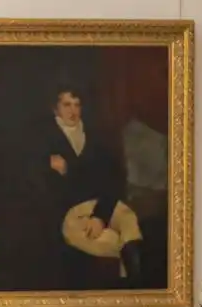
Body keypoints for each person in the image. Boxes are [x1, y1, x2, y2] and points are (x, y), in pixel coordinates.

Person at [43, 86, 145, 287]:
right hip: (69, 212)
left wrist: (100, 216)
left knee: (128, 219)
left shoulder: (96, 136)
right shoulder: (43, 140)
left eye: (77, 105)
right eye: (66, 105)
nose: (73, 110)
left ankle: (139, 283)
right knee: (109, 239)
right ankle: (135, 287)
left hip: (102, 203)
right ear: (56, 109)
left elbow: (113, 179)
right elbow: (46, 187)